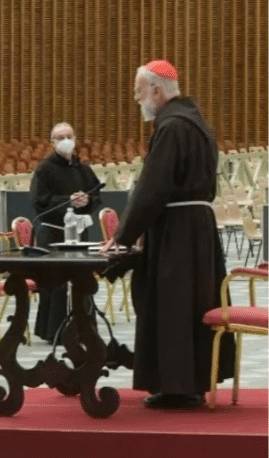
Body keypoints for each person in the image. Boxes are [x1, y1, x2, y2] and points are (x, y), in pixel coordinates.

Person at [102, 59, 234, 409]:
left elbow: (153, 187)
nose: (137, 99)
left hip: (177, 232)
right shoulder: (198, 124)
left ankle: (176, 387)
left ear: (157, 90)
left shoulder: (172, 126)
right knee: (192, 305)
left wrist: (123, 236)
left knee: (173, 305)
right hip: (197, 229)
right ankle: (190, 382)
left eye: (139, 91)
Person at [29, 122, 102, 342]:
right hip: (54, 234)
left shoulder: (83, 168)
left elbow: (97, 194)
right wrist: (67, 201)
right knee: (56, 285)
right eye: (60, 137)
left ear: (75, 138)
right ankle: (54, 331)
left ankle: (83, 328)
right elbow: (39, 202)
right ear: (52, 142)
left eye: (69, 136)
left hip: (78, 233)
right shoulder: (44, 168)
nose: (65, 140)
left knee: (81, 281)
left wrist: (87, 200)